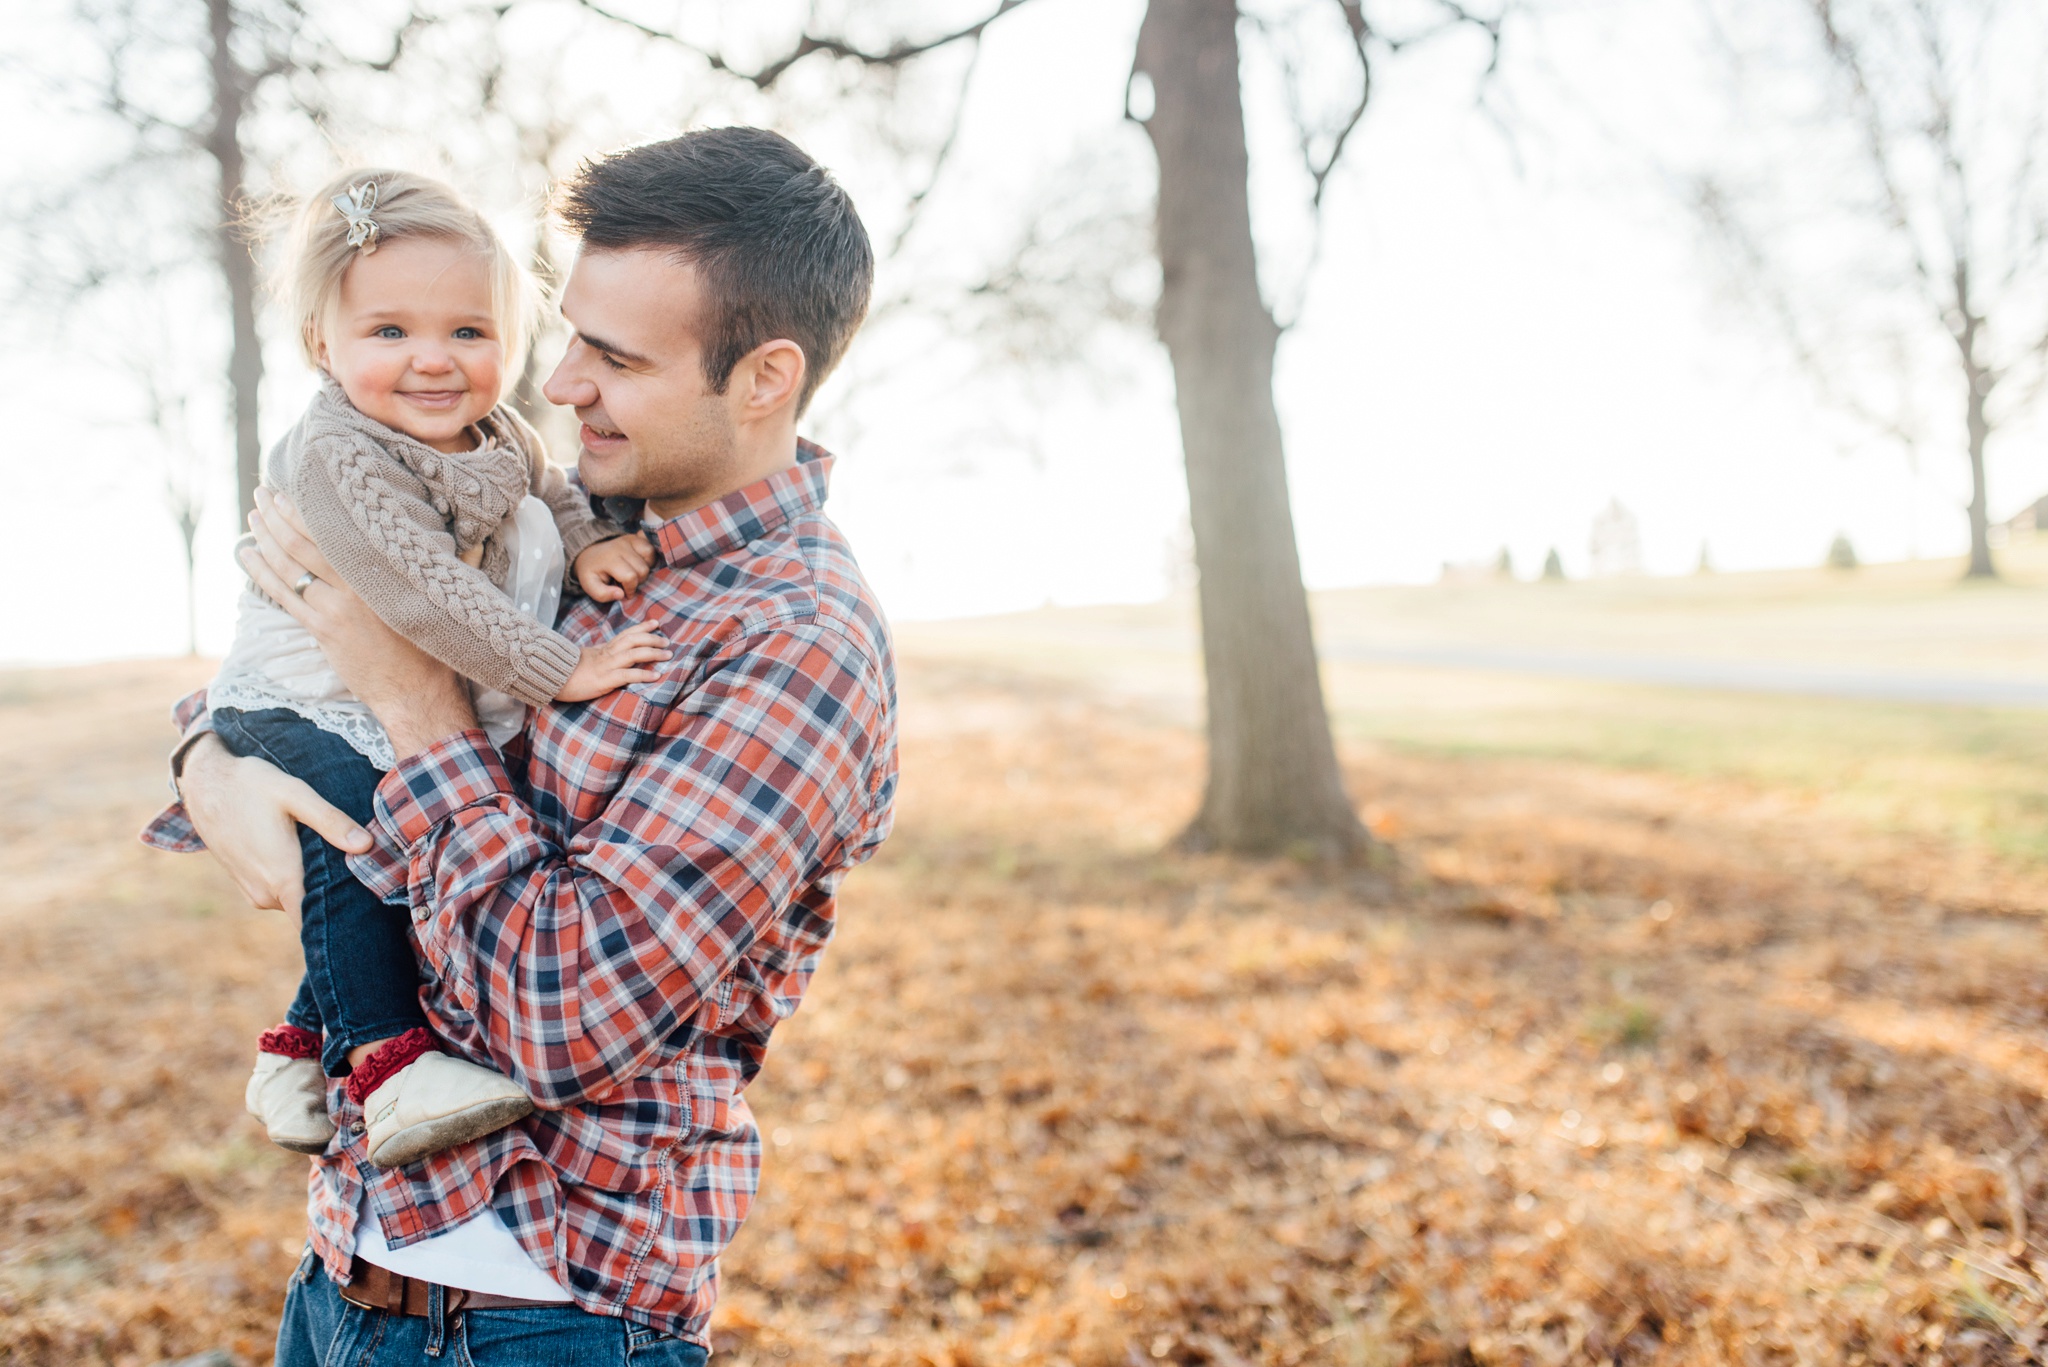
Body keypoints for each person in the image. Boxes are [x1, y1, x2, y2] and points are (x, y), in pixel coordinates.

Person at [149, 128, 897, 1366]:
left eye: (611, 356)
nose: (556, 384)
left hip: (539, 1309)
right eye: (564, 336)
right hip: (348, 1268)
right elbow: (300, 666)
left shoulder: (794, 642)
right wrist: (207, 758)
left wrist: (418, 702)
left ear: (763, 376)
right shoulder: (567, 527)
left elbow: (556, 1018)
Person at [147, 168, 670, 1171]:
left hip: (368, 698)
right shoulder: (340, 456)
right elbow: (427, 595)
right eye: (389, 332)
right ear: (322, 346)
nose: (434, 360)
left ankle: (294, 1048)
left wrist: (586, 541)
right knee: (361, 839)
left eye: (468, 332)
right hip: (297, 699)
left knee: (385, 852)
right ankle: (387, 1067)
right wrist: (558, 667)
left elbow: (542, 483)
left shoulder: (495, 433)